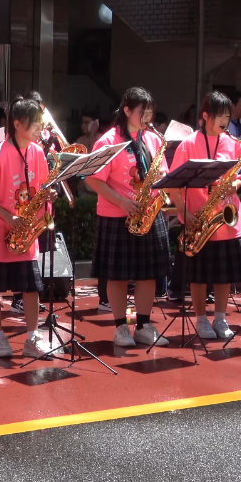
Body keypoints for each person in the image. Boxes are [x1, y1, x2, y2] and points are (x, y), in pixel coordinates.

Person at [0, 97, 59, 359]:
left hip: (26, 231)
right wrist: (8, 218)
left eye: (40, 125)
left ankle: (33, 337)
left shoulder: (38, 152)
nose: (39, 130)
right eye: (34, 125)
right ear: (17, 124)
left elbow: (41, 188)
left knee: (31, 287)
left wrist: (48, 196)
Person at [85, 87, 172, 348]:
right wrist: (123, 202)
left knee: (149, 273)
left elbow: (162, 174)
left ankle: (144, 325)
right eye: (141, 111)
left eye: (150, 111)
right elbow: (92, 179)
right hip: (117, 214)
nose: (147, 116)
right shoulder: (108, 140)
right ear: (126, 111)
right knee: (117, 275)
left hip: (147, 212)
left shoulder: (153, 139)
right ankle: (120, 326)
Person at [169, 91, 241, 341]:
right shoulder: (188, 144)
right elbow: (174, 184)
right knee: (198, 276)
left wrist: (236, 186)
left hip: (227, 221)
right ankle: (201, 320)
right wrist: (184, 212)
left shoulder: (234, 143)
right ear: (205, 116)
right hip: (198, 219)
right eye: (220, 115)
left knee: (224, 276)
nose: (225, 120)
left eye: (227, 116)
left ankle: (220, 318)